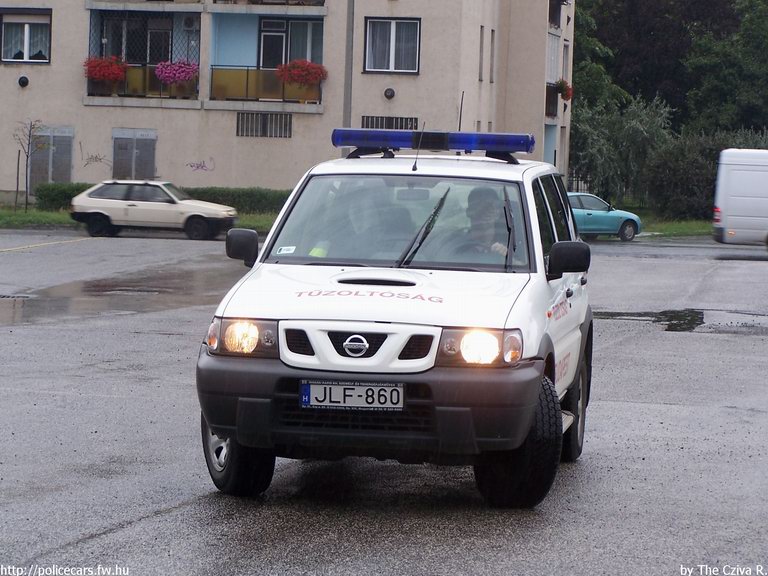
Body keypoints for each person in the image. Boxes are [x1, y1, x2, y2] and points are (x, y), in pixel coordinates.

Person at [463, 186, 509, 257]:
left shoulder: (510, 240)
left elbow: (522, 262)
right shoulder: (458, 244)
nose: (483, 210)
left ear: (497, 213)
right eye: (479, 206)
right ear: (468, 212)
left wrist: (506, 256)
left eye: (488, 207)